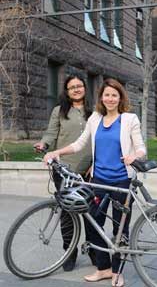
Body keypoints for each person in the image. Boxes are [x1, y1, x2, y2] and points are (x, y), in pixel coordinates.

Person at [43, 78, 146, 287]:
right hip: (98, 182)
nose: (110, 99)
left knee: (120, 230)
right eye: (106, 95)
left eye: (114, 95)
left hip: (121, 182)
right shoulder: (95, 119)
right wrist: (56, 152)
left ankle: (117, 272)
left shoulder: (129, 119)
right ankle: (103, 268)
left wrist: (135, 157)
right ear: (101, 98)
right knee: (93, 225)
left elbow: (141, 148)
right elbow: (79, 143)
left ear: (120, 98)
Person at [34, 74, 95, 271]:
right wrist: (44, 143)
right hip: (65, 170)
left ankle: (95, 251)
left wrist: (97, 163)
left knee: (91, 214)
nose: (76, 89)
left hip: (90, 171)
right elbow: (51, 133)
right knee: (67, 213)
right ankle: (69, 252)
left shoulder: (95, 112)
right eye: (72, 87)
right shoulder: (59, 111)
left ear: (85, 88)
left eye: (79, 86)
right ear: (67, 92)